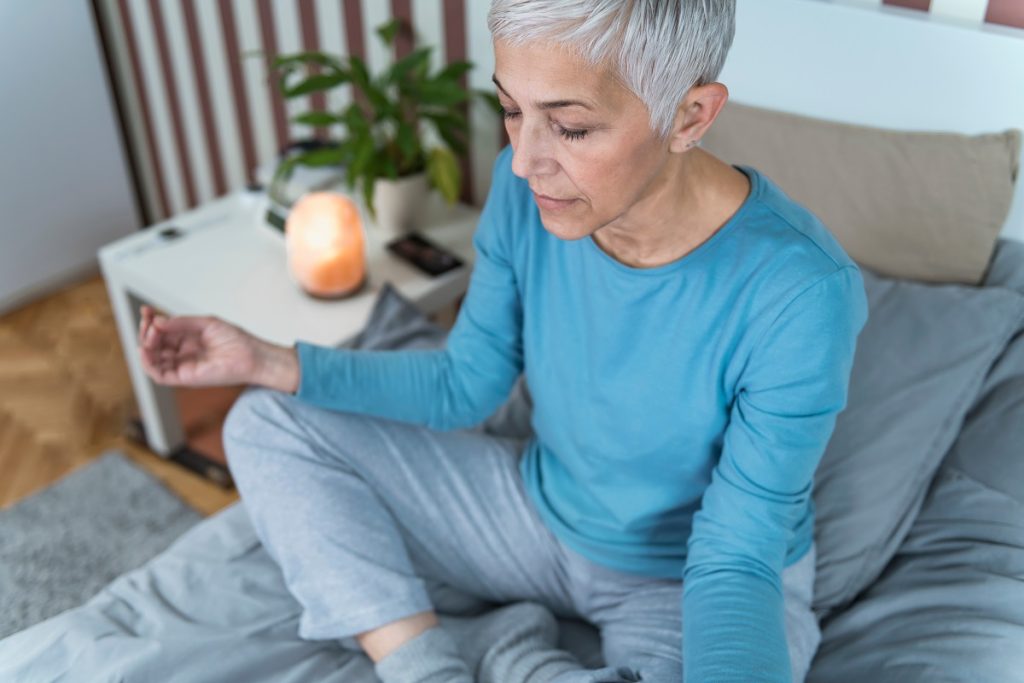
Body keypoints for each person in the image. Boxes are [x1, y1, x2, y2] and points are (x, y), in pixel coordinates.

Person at [138, 1, 867, 681]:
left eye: (571, 127)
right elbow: (465, 385)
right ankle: (430, 665)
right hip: (536, 512)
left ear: (689, 116)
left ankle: (509, 651)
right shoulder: (526, 192)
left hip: (682, 579)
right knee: (266, 419)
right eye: (513, 111)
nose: (523, 161)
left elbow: (735, 556)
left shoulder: (801, 293)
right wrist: (266, 360)